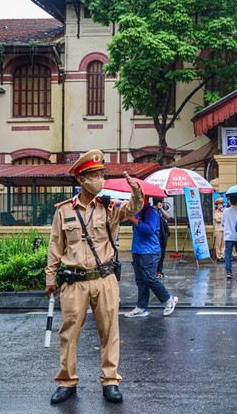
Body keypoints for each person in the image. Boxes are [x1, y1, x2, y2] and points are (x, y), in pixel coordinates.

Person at [46, 149, 143, 404]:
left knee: (110, 331)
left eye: (101, 174)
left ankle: (110, 381)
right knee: (68, 333)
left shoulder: (109, 207)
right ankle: (67, 381)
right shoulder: (64, 211)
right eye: (93, 175)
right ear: (81, 180)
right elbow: (55, 246)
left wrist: (136, 191)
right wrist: (50, 279)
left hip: (104, 279)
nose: (99, 179)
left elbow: (133, 208)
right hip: (74, 281)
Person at [125, 197, 178, 318]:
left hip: (149, 251)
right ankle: (141, 307)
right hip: (138, 250)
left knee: (149, 278)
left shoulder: (151, 212)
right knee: (140, 281)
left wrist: (134, 220)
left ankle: (169, 299)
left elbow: (148, 230)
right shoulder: (139, 211)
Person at [222, 195, 237, 279]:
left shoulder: (225, 211)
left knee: (228, 254)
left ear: (230, 201)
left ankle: (229, 271)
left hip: (228, 236)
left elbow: (222, 223)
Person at [152, 197, 170, 278]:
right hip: (156, 236)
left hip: (163, 235)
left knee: (162, 254)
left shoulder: (160, 211)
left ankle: (159, 270)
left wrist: (161, 209)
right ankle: (156, 270)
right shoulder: (152, 211)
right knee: (157, 255)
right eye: (163, 202)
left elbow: (167, 217)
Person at [213, 198, 225, 263]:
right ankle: (218, 256)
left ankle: (222, 256)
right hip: (218, 230)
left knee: (223, 244)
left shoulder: (223, 212)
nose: (221, 206)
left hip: (223, 229)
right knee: (218, 244)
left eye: (222, 204)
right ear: (217, 205)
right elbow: (217, 220)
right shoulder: (215, 212)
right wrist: (223, 220)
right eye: (219, 204)